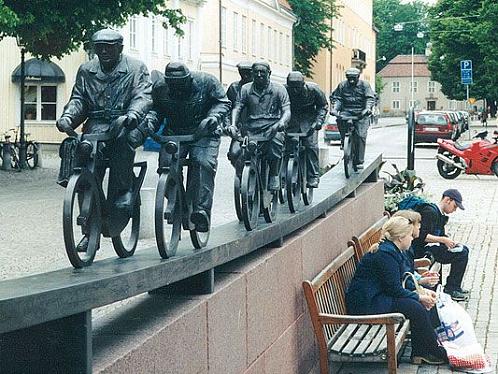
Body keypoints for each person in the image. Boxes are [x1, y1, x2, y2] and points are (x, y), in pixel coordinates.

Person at [56, 28, 152, 251]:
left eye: (109, 47)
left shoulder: (136, 68)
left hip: (124, 123)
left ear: (120, 47)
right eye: (99, 47)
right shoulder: (86, 70)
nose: (103, 51)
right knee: (83, 162)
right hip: (96, 126)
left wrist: (131, 116)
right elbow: (78, 99)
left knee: (122, 141)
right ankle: (90, 233)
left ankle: (123, 192)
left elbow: (143, 96)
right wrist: (68, 117)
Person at [141, 62, 230, 232]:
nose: (176, 89)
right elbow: (156, 110)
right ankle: (179, 202)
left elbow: (223, 103)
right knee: (166, 165)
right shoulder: (160, 88)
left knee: (203, 163)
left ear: (188, 79)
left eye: (180, 84)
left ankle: (201, 211)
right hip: (174, 132)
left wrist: (212, 118)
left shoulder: (207, 82)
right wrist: (151, 121)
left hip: (204, 132)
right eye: (172, 85)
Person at [346, 216, 448, 365]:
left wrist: (422, 292)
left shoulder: (393, 250)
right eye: (409, 236)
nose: (412, 239)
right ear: (400, 238)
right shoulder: (385, 255)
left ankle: (427, 346)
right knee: (415, 307)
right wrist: (419, 297)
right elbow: (394, 289)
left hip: (378, 296)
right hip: (366, 304)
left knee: (418, 301)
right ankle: (432, 350)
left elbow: (401, 280)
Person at [226, 61, 291, 190]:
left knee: (276, 143)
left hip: (271, 127)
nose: (259, 75)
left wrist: (280, 123)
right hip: (250, 129)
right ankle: (242, 175)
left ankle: (274, 174)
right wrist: (233, 125)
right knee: (235, 152)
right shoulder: (245, 89)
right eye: (256, 72)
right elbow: (237, 108)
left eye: (263, 72)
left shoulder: (279, 89)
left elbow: (286, 111)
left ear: (269, 73)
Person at [411, 189, 469, 301]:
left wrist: (449, 242)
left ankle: (453, 286)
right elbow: (420, 236)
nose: (454, 210)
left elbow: (440, 235)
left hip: (431, 247)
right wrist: (442, 240)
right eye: (455, 206)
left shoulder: (439, 214)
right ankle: (452, 288)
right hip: (422, 251)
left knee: (462, 249)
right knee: (461, 254)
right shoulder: (430, 212)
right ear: (448, 200)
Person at [284, 71, 328, 188]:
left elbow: (323, 106)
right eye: (291, 87)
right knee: (284, 146)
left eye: (297, 88)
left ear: (303, 85)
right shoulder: (283, 90)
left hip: (308, 120)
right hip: (291, 119)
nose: (294, 91)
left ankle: (313, 175)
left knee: (310, 145)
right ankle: (282, 175)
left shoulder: (314, 90)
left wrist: (319, 121)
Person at [330, 68, 375, 169]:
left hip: (361, 112)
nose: (351, 81)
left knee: (360, 135)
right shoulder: (342, 85)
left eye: (353, 79)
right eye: (349, 78)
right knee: (340, 121)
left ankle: (359, 160)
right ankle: (344, 142)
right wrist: (335, 109)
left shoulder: (365, 85)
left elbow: (369, 98)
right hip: (347, 111)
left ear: (358, 77)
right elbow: (338, 99)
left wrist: (367, 109)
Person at [393, 210, 440, 290]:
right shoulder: (401, 247)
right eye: (417, 223)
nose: (420, 226)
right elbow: (403, 275)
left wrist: (420, 277)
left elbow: (408, 268)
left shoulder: (406, 244)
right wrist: (420, 280)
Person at [226, 61, 253, 171]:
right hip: (240, 128)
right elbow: (228, 108)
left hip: (258, 127)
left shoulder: (258, 87)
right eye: (242, 73)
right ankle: (242, 174)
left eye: (247, 73)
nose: (245, 75)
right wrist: (229, 124)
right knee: (233, 153)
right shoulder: (234, 87)